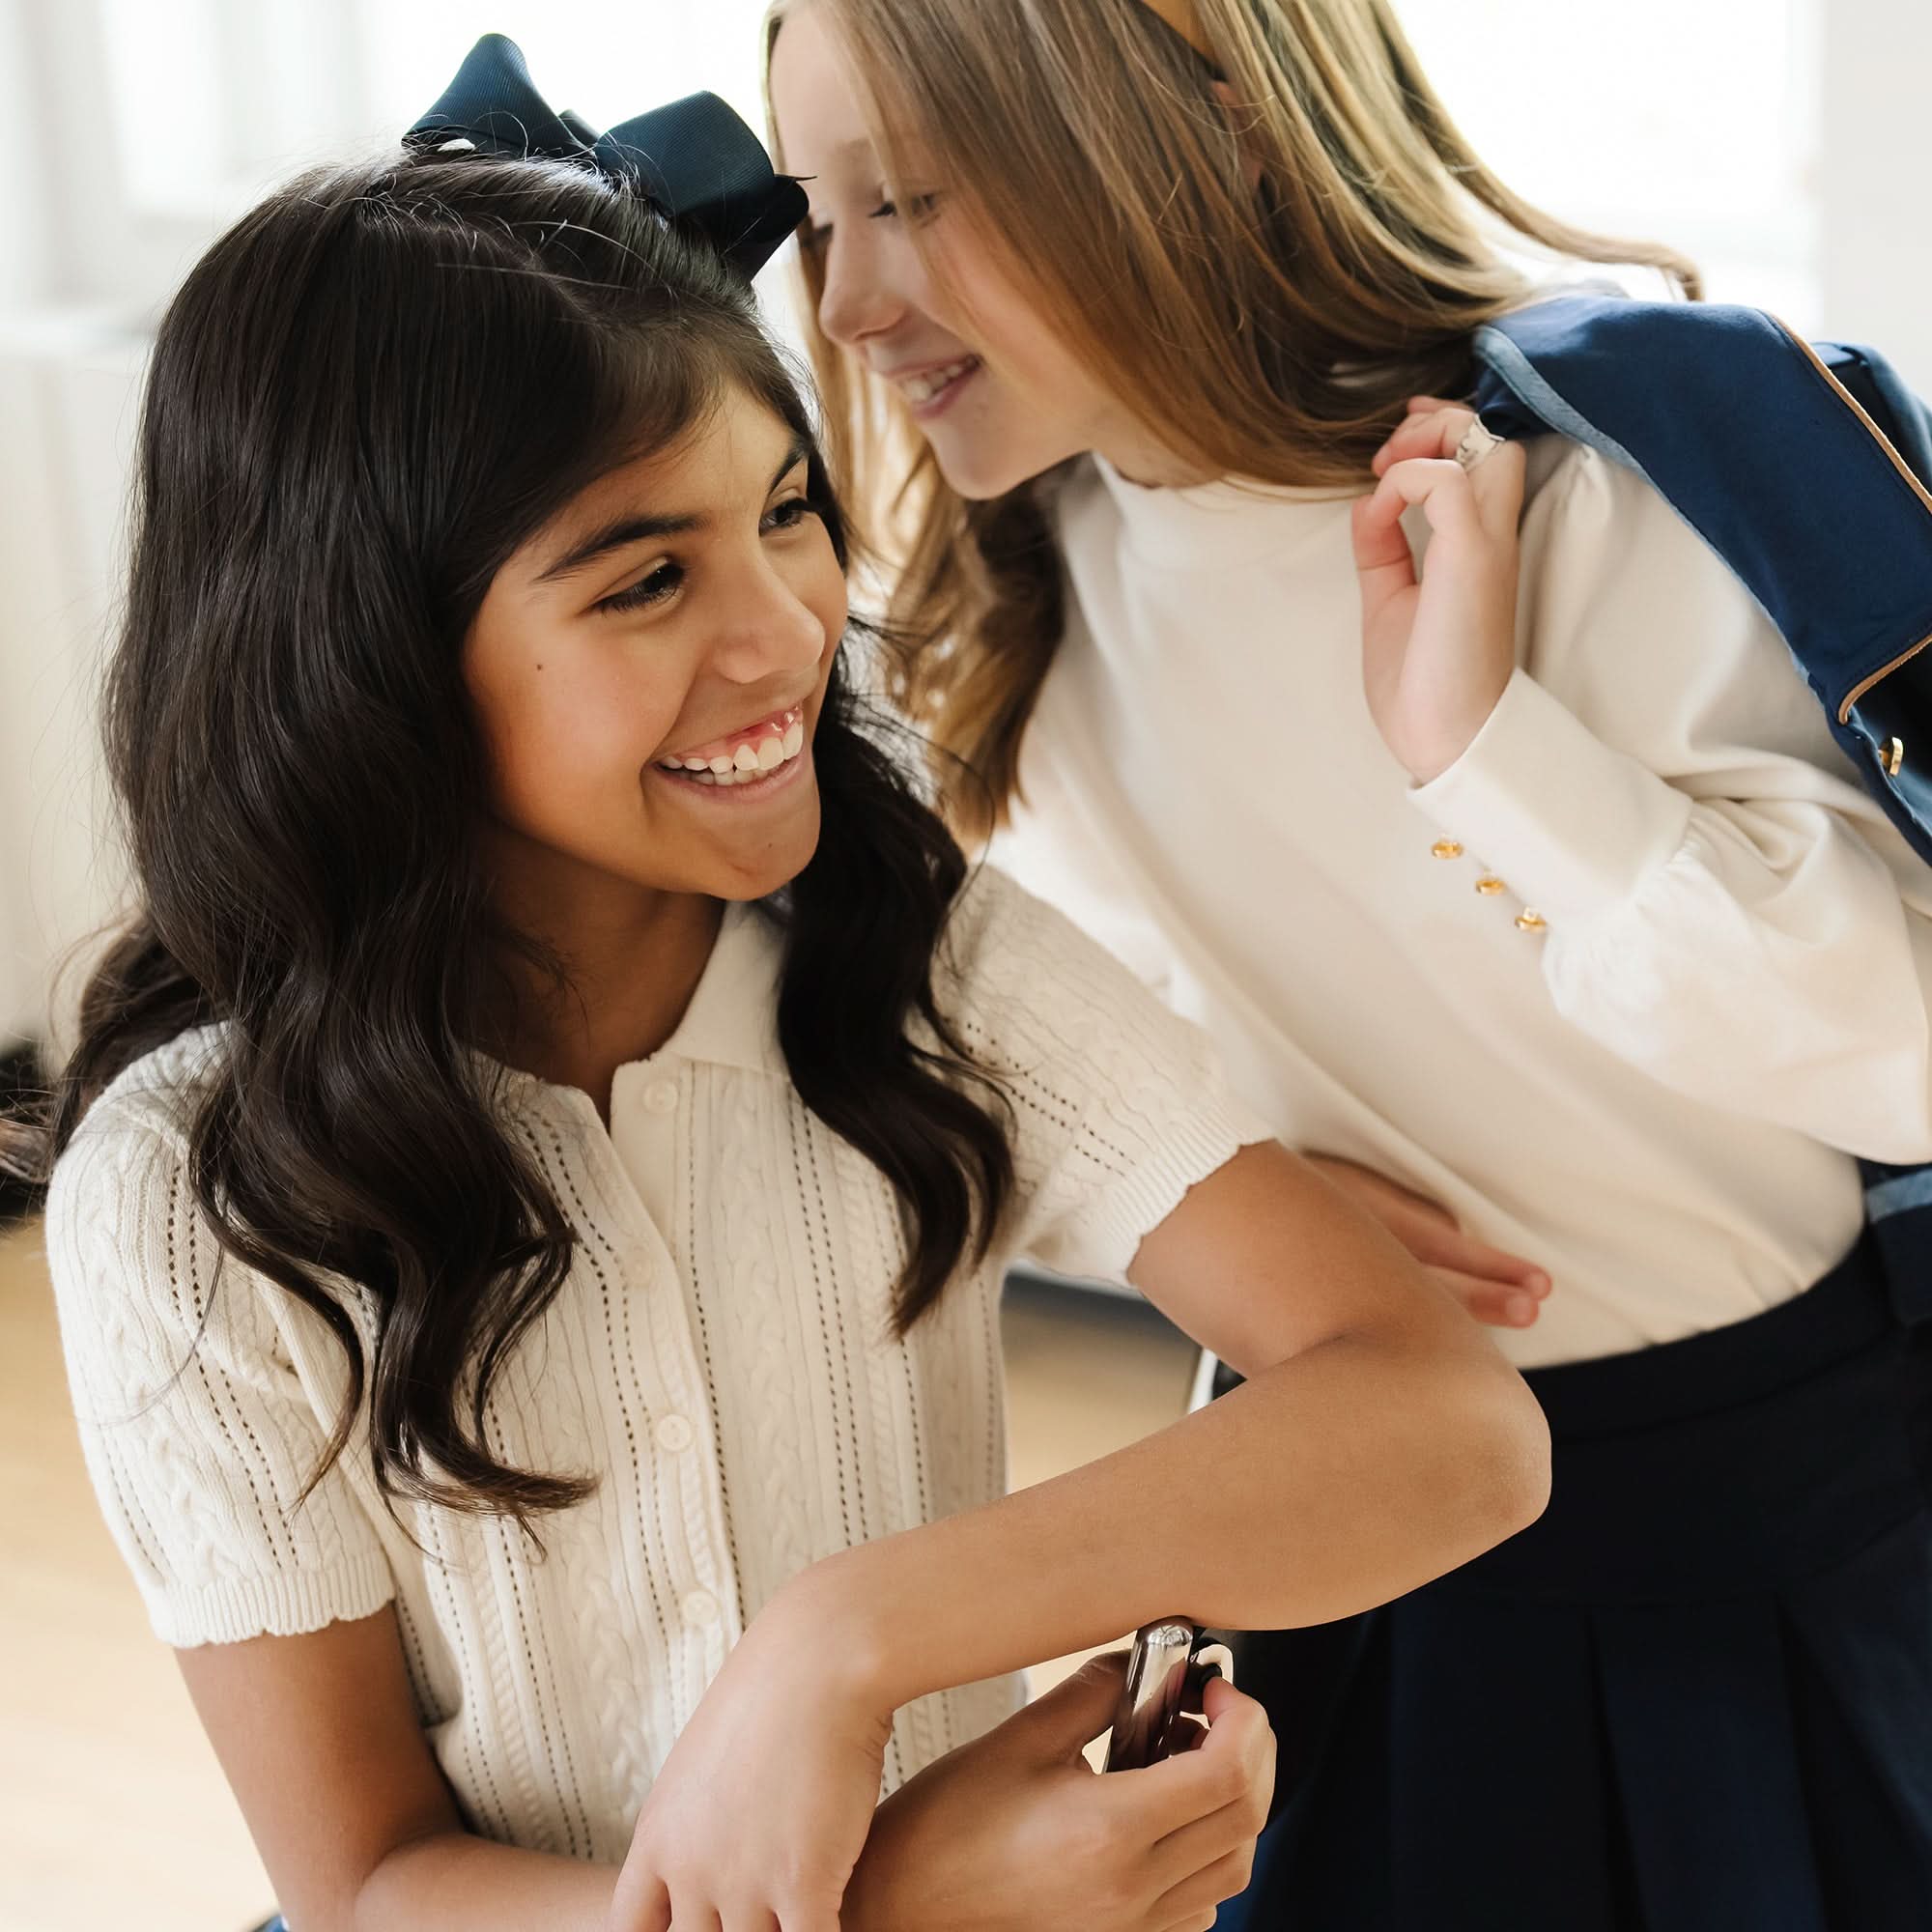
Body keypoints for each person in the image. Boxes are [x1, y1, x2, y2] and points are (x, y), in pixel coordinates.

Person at [6, 39, 1551, 1932]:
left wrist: (849, 1637)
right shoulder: (187, 1197)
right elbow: (366, 1888)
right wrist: (894, 1904)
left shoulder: (920, 967)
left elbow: (1456, 1430)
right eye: (644, 580)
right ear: (368, 658)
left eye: (788, 512)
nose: (785, 633)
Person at [764, 0, 1932, 1924]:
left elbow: (1909, 1047)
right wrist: (1214, 1196)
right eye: (818, 217)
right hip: (1342, 1558)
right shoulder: (1011, 594)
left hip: (1774, 1552)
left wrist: (1483, 756)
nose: (849, 303)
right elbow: (1005, 1065)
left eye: (911, 200)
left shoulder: (1594, 477)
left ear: (1208, 130)